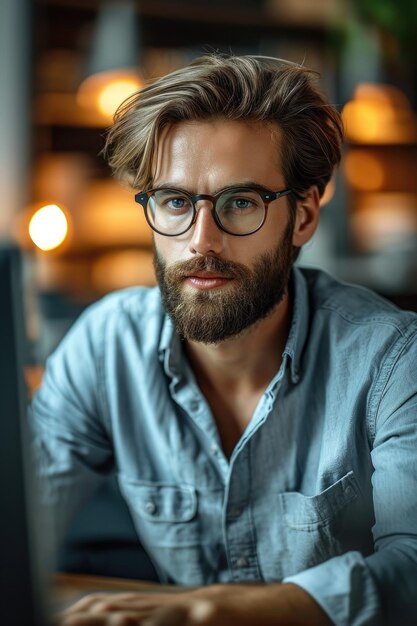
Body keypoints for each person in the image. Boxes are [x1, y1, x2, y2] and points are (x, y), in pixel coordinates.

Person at [31, 54, 417, 626]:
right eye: (175, 202)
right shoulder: (105, 344)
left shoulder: (393, 359)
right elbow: (21, 526)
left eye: (240, 203)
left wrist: (217, 611)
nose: (200, 241)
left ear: (304, 215)